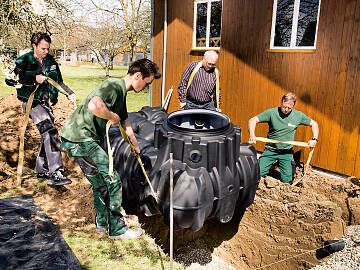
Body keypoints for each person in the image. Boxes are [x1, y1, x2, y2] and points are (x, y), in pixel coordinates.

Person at [60, 59, 161, 239]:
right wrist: (110, 115)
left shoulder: (121, 93)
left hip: (77, 138)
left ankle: (102, 223)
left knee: (100, 184)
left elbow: (125, 121)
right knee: (113, 181)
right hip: (82, 138)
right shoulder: (113, 85)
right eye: (147, 83)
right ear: (138, 76)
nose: (147, 88)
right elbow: (94, 105)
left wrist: (135, 145)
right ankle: (117, 230)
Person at [14, 32, 76, 186]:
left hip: (45, 104)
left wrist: (69, 93)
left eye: (48, 49)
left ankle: (42, 170)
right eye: (43, 48)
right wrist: (33, 77)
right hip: (31, 103)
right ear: (34, 46)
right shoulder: (24, 60)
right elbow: (15, 78)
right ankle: (55, 172)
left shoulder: (50, 61)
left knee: (46, 134)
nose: (46, 52)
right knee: (51, 131)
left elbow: (58, 81)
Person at [248, 92, 319, 184]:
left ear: (293, 106)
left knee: (287, 181)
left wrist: (314, 139)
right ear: (281, 102)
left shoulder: (298, 116)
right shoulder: (272, 113)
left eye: (289, 108)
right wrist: (252, 134)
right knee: (257, 174)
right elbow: (252, 120)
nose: (286, 109)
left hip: (286, 153)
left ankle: (283, 167)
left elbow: (314, 124)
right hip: (271, 150)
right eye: (284, 106)